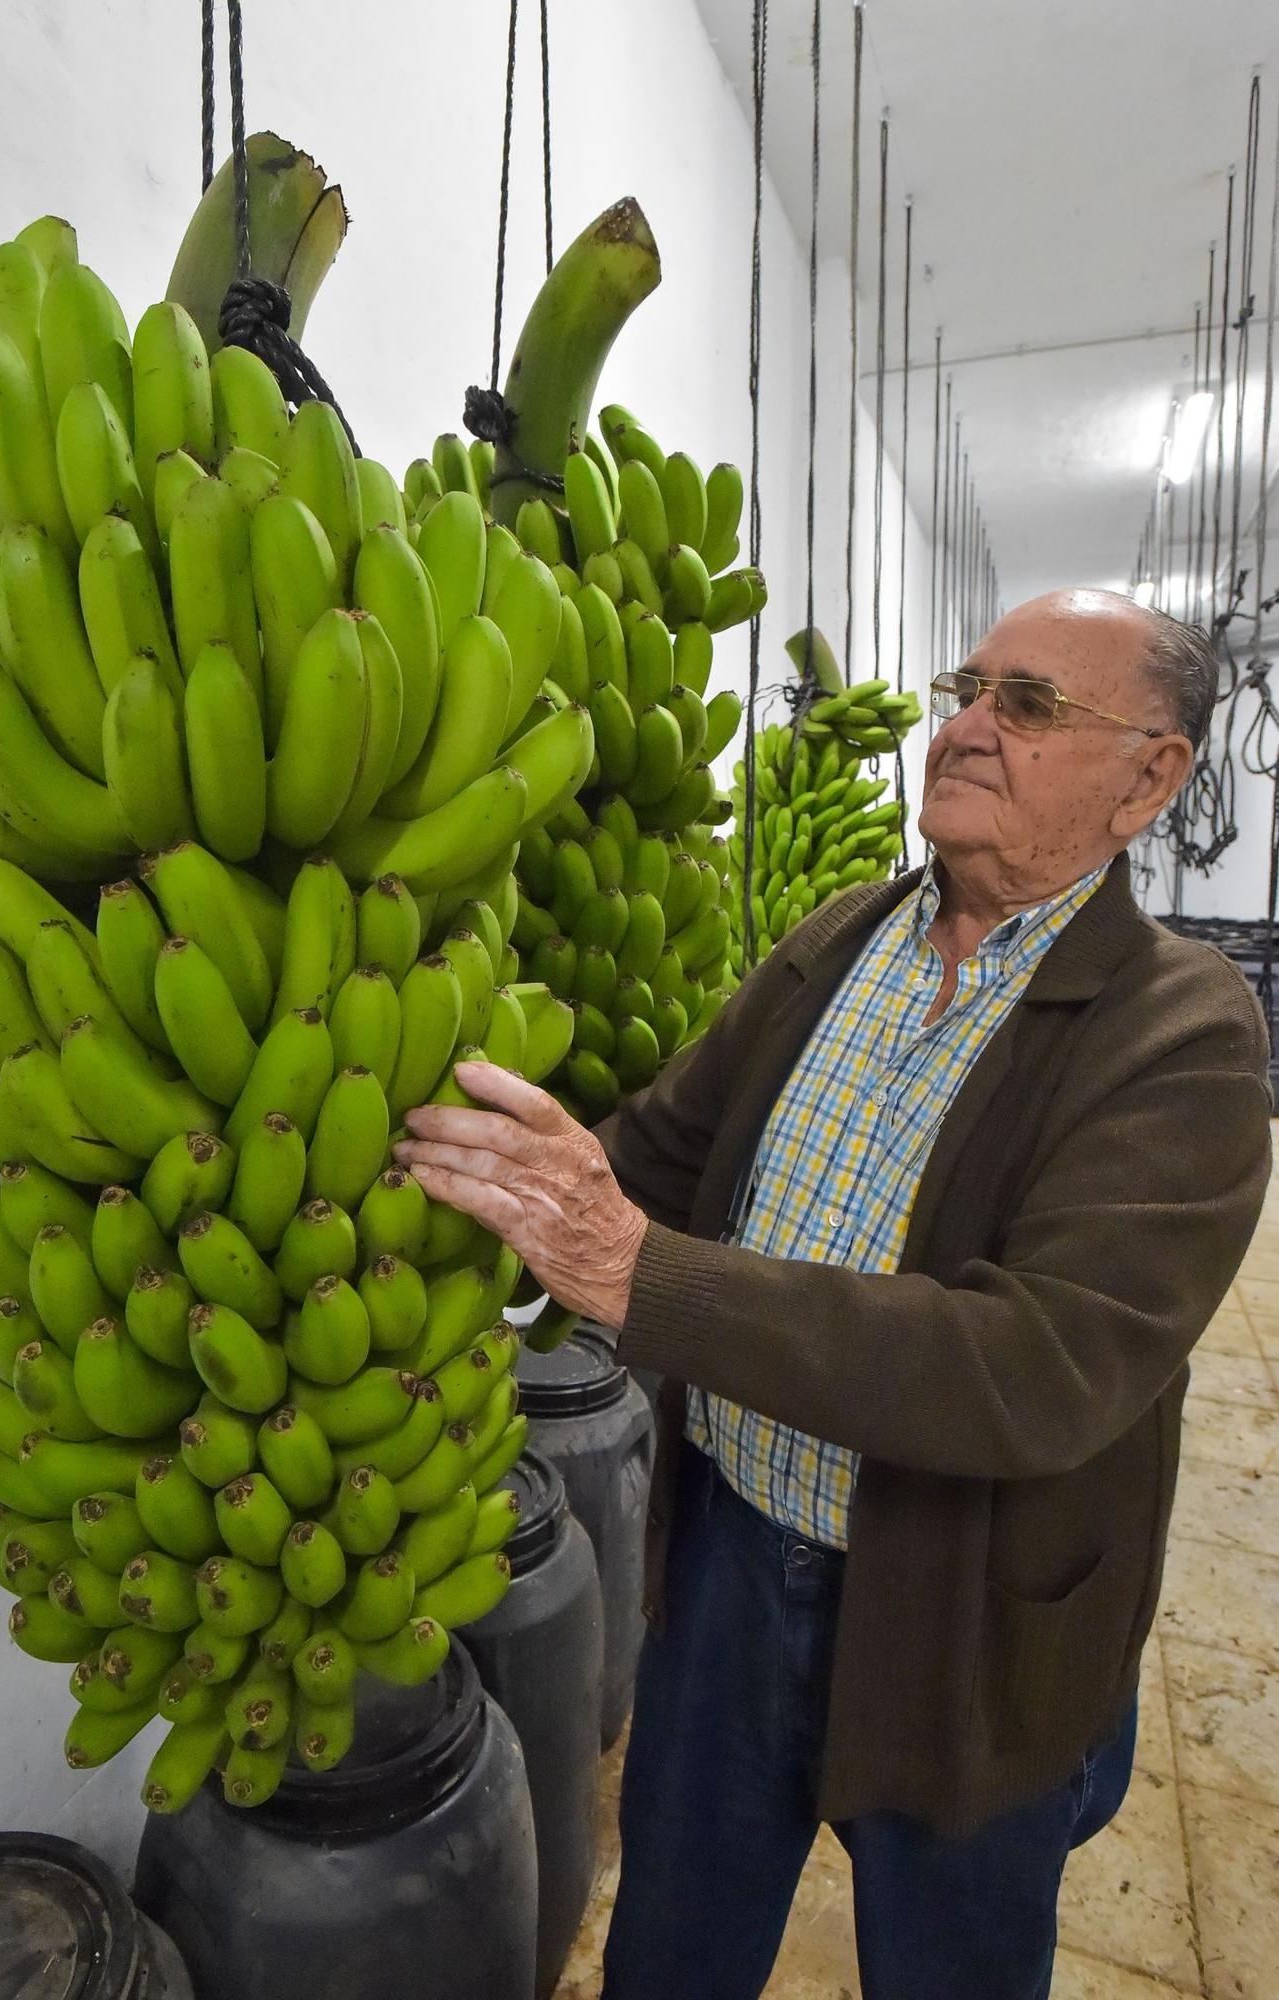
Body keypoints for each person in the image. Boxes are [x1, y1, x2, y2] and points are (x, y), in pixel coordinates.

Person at [395, 588, 1273, 2000]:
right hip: (735, 1574)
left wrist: (633, 1271)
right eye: (969, 687)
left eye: (1034, 705)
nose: (969, 728)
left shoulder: (1181, 1035)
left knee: (950, 1967)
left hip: (966, 1621)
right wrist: (470, 1209)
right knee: (672, 1954)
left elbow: (1033, 1365)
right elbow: (659, 1153)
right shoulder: (839, 938)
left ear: (1152, 779)